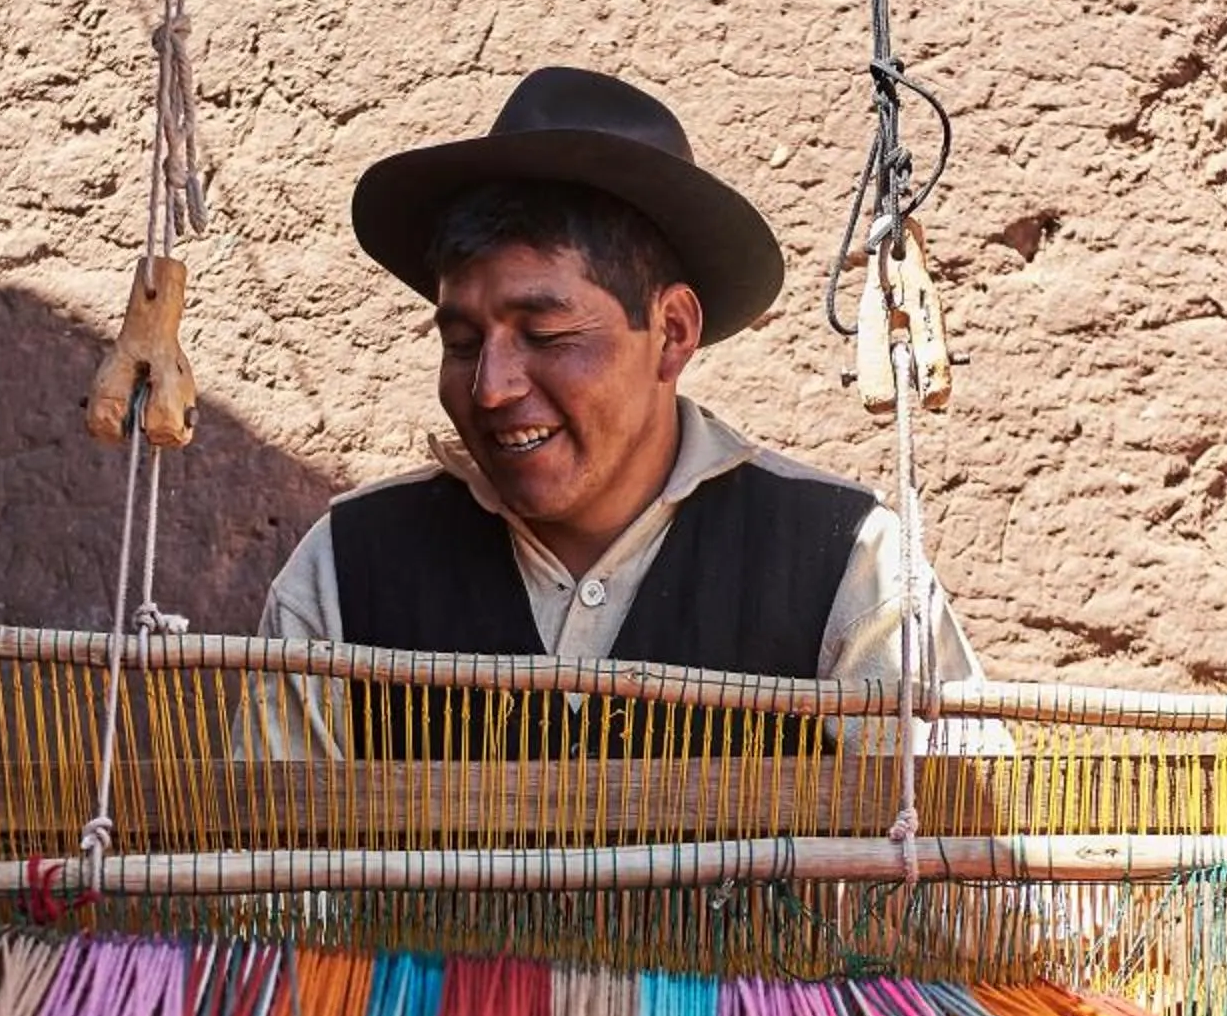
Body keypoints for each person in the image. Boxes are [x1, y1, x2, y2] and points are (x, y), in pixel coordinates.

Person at [257, 66, 977, 753]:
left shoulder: (850, 566)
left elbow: (962, 827)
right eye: (462, 342)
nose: (491, 388)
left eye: (546, 335)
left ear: (671, 333)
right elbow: (266, 841)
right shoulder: (344, 570)